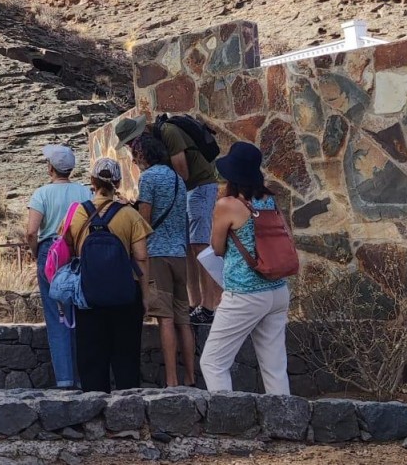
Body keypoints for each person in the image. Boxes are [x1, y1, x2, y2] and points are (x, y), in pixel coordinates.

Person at [198, 142, 290, 395]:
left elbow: (216, 247)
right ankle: (285, 424)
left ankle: (229, 422)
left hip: (245, 293)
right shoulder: (269, 200)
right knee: (274, 367)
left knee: (213, 362)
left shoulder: (228, 205)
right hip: (277, 290)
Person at [115, 114, 221, 324]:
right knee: (187, 246)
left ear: (140, 134)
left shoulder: (168, 133)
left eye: (131, 143)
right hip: (187, 191)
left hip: (200, 186)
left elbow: (182, 173)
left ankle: (209, 306)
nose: (131, 148)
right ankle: (195, 303)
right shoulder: (156, 142)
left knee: (199, 244)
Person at [66, 158, 151, 393]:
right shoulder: (130, 215)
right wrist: (145, 295)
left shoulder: (77, 213)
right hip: (125, 292)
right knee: (126, 355)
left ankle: (94, 411)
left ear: (92, 181)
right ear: (117, 182)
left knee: (91, 356)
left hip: (88, 293)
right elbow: (142, 257)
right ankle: (128, 409)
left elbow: (67, 249)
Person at [131, 132, 196, 388]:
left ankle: (171, 381)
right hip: (179, 253)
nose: (135, 161)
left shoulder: (148, 178)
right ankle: (191, 377)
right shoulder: (178, 179)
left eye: (135, 156)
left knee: (165, 318)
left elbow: (145, 222)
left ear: (144, 154)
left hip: (157, 254)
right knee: (183, 318)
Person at [26, 144, 92, 389]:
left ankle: (64, 379)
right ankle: (85, 376)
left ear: (50, 168)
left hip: (50, 254)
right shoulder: (85, 192)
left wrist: (36, 254)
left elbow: (32, 231)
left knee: (57, 317)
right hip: (78, 253)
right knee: (81, 312)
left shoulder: (41, 194)